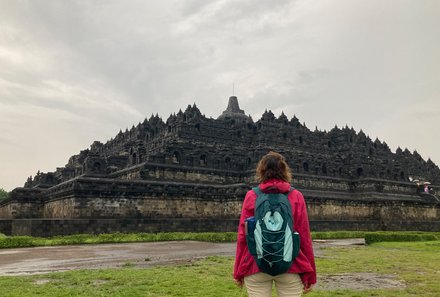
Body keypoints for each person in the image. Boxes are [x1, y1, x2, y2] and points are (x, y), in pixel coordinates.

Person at [233, 151, 316, 297]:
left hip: (256, 265)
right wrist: (310, 274)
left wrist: (238, 271)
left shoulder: (252, 195)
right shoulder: (296, 196)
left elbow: (243, 236)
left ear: (261, 171)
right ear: (284, 170)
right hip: (291, 265)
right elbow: (304, 236)